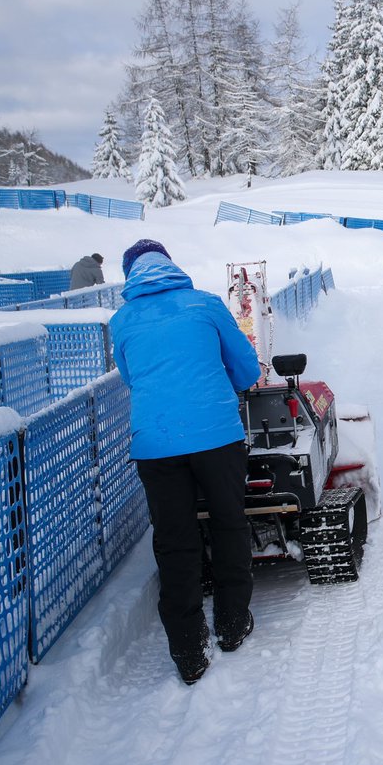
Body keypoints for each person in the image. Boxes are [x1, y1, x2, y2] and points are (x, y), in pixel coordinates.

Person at [110, 239, 262, 685]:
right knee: (229, 523)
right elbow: (247, 370)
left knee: (174, 541)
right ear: (171, 266)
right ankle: (233, 626)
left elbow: (129, 376)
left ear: (131, 275)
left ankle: (188, 653)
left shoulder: (121, 321)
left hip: (155, 444)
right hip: (217, 436)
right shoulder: (207, 305)